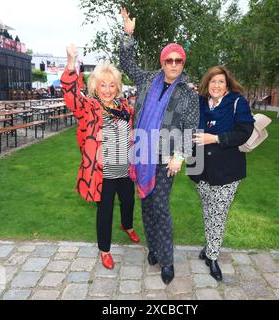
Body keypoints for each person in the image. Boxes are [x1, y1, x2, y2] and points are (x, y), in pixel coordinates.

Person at [120, 8, 199, 285]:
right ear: (163, 61)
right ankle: (153, 248)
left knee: (161, 206)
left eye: (179, 60)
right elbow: (127, 64)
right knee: (147, 204)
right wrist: (128, 35)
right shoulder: (146, 80)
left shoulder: (187, 92)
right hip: (141, 153)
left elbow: (190, 128)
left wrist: (179, 156)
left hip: (167, 159)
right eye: (170, 60)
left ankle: (167, 260)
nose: (174, 64)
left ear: (182, 63)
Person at [61, 44, 140, 270]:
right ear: (95, 86)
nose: (107, 89)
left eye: (111, 85)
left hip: (124, 169)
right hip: (102, 173)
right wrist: (71, 62)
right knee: (105, 211)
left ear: (118, 87)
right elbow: (71, 96)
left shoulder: (125, 107)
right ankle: (105, 250)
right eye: (102, 85)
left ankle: (127, 225)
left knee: (128, 201)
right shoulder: (89, 106)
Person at [190, 66, 254, 281]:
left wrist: (215, 138)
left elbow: (244, 132)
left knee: (218, 213)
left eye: (220, 81)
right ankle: (209, 245)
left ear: (227, 84)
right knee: (208, 210)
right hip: (200, 167)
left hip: (227, 170)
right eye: (212, 81)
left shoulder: (237, 102)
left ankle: (213, 257)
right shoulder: (199, 102)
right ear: (206, 84)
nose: (216, 85)